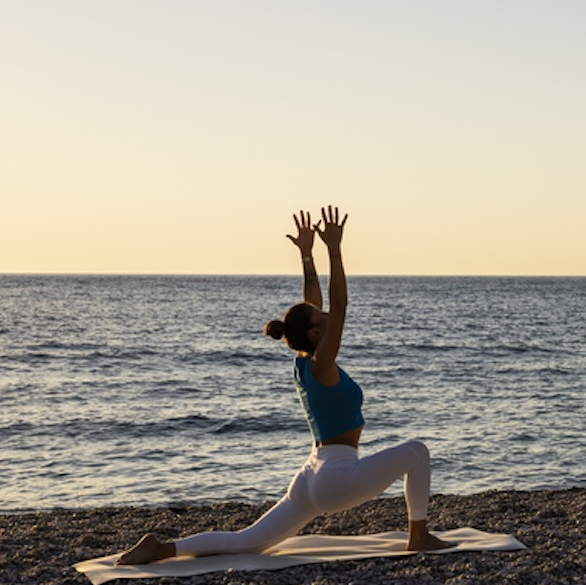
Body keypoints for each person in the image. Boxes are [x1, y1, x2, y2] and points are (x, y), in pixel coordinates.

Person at [116, 207, 446, 564]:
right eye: (322, 320)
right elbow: (341, 304)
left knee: (248, 543)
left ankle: (163, 547)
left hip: (310, 477)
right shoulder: (321, 364)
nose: (328, 318)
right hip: (337, 477)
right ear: (315, 333)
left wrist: (307, 254)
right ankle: (419, 535)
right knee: (418, 451)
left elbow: (314, 304)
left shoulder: (304, 362)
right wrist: (334, 250)